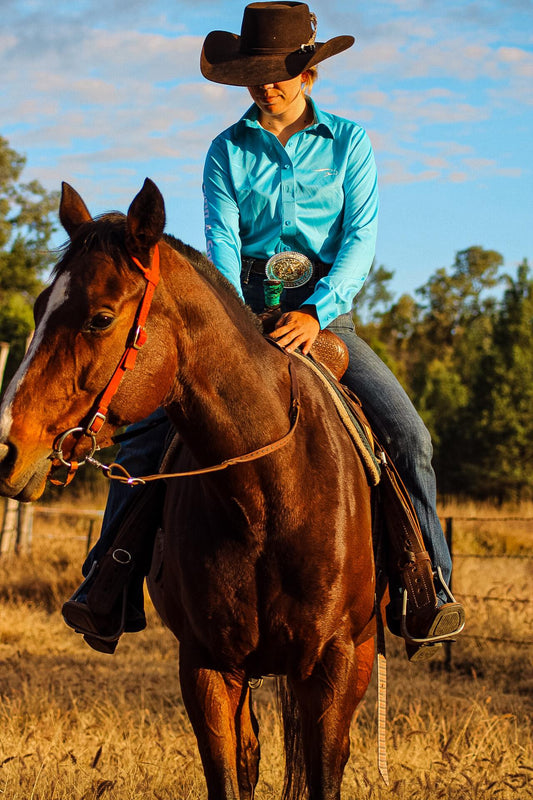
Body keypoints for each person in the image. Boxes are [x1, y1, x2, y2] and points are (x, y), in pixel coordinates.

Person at [63, 1, 464, 661]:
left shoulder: (351, 143)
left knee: (407, 436)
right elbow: (222, 239)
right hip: (239, 313)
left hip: (325, 312)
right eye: (255, 73)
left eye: (280, 72)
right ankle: (108, 583)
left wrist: (316, 311)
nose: (267, 85)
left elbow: (360, 238)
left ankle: (426, 587)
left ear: (308, 74)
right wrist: (236, 327)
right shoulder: (226, 150)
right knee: (142, 445)